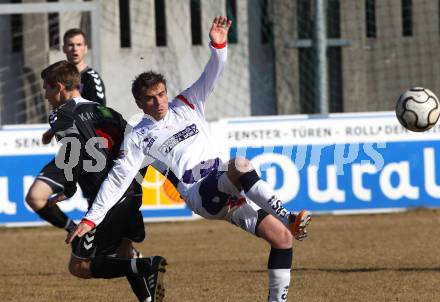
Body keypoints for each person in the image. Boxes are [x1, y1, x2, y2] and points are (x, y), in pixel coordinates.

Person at [68, 16, 311, 302]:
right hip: (201, 192)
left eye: (161, 94)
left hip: (228, 190)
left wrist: (219, 44)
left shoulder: (187, 104)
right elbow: (117, 180)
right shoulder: (138, 136)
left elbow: (214, 71)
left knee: (282, 240)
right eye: (150, 98)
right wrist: (91, 220)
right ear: (139, 102)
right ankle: (289, 217)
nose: (158, 102)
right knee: (242, 165)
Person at [39, 60, 166, 302]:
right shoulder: (109, 113)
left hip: (105, 201)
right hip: (131, 194)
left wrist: (68, 188)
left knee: (79, 267)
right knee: (124, 251)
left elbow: (72, 149)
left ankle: (148, 265)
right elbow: (142, 154)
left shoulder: (61, 115)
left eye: (46, 89)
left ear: (58, 87)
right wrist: (134, 188)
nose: (45, 96)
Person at [26, 28, 106, 234]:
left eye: (79, 44)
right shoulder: (57, 77)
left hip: (92, 154)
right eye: (70, 45)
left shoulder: (91, 78)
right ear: (63, 48)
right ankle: (72, 229)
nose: (75, 49)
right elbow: (66, 115)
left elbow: (92, 116)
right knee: (35, 196)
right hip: (70, 152)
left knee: (108, 219)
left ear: (86, 48)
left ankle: (129, 254)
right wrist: (52, 130)